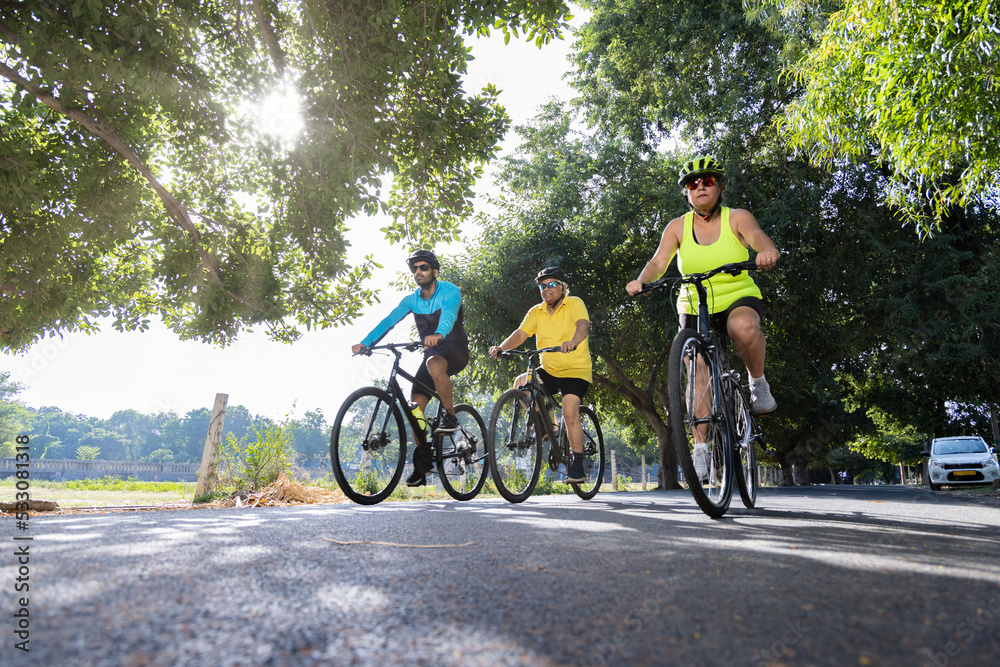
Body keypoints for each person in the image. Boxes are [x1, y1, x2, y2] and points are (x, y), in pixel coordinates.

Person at [625, 155, 780, 415]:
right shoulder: (676, 227)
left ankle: (758, 382)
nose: (700, 187)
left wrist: (768, 251)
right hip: (694, 302)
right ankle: (700, 451)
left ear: (720, 187)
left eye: (707, 181)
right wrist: (642, 280)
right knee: (696, 370)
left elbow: (757, 237)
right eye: (692, 184)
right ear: (687, 194)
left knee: (743, 327)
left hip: (736, 294)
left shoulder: (737, 217)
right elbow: (659, 262)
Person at [352, 249, 469, 487]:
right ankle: (423, 462)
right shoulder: (411, 300)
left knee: (434, 363)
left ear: (435, 271)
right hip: (432, 353)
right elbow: (389, 321)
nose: (418, 272)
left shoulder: (449, 291)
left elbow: (448, 315)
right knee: (415, 407)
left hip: (454, 350)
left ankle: (450, 415)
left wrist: (438, 334)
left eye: (423, 267)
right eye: (414, 268)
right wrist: (366, 343)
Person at [489, 267, 592, 484]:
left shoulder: (574, 303)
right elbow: (521, 333)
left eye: (551, 284)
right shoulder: (536, 311)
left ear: (564, 287)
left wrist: (573, 341)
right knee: (521, 383)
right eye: (542, 286)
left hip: (576, 371)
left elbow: (583, 326)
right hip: (550, 370)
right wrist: (501, 348)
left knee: (570, 410)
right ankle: (547, 426)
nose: (546, 289)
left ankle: (578, 465)